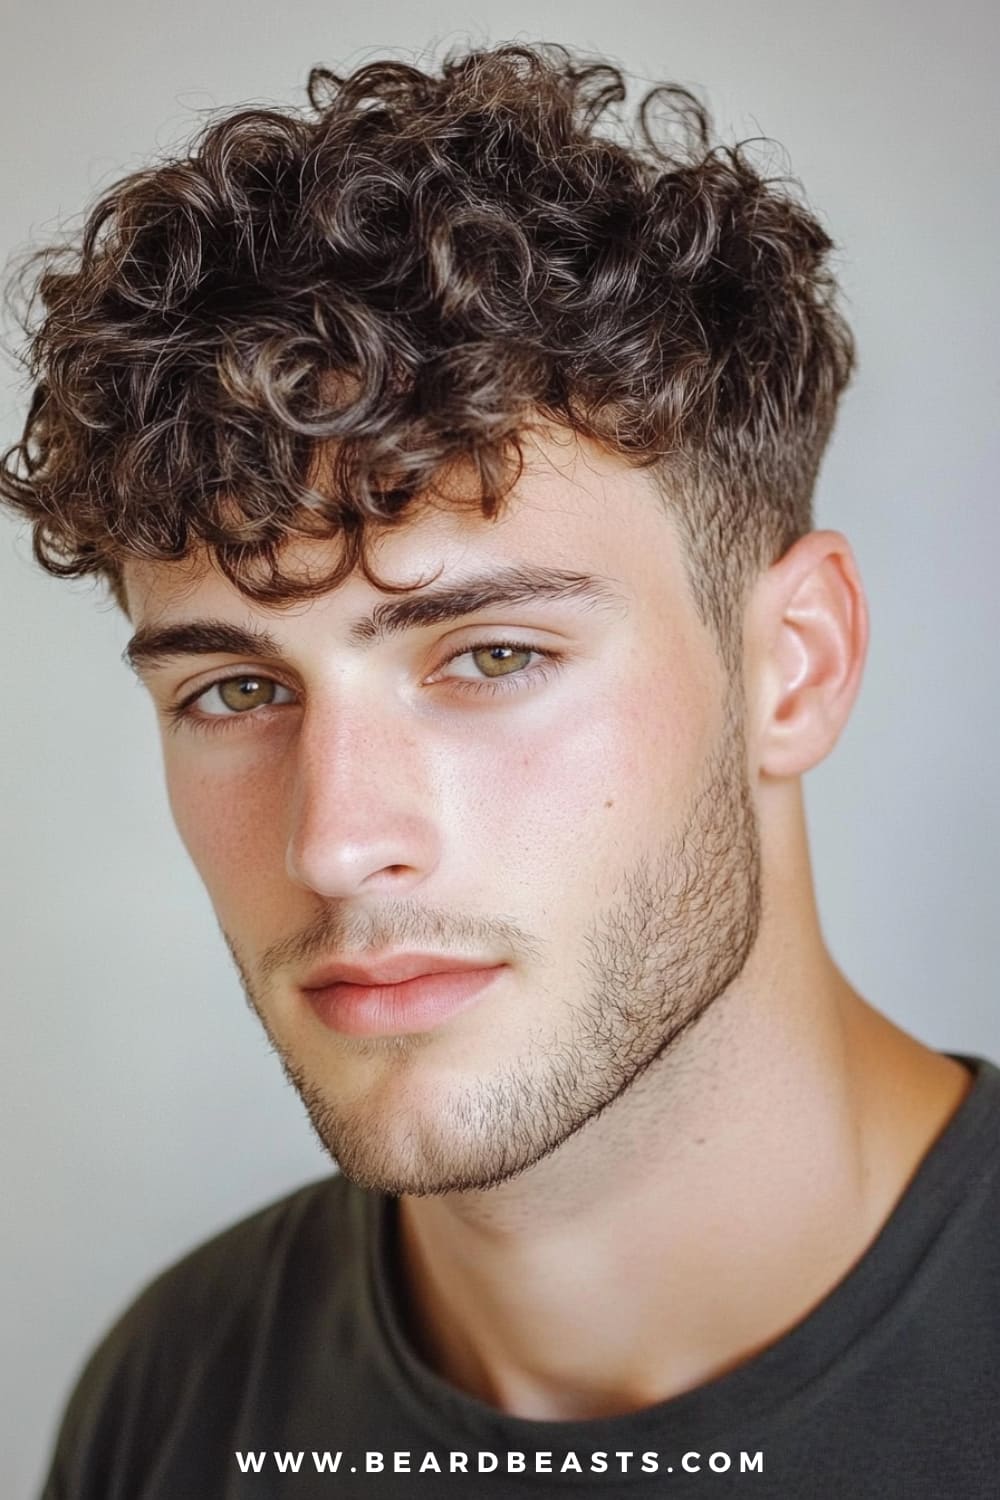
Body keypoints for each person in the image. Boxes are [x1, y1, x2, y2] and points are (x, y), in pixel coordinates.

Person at [4, 40, 997, 1500]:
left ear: (796, 664)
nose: (336, 845)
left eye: (491, 658)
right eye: (234, 688)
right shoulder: (175, 1396)